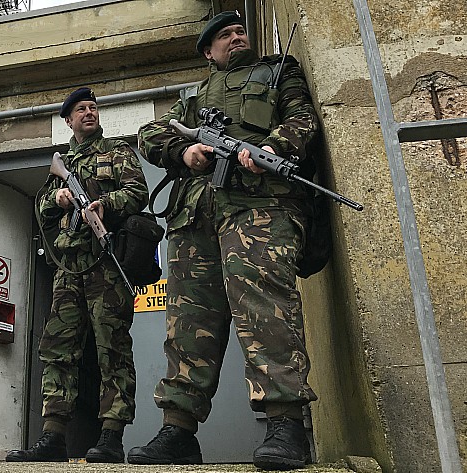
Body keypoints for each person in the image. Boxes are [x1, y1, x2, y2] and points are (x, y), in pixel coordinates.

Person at [126, 11, 319, 470]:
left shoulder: (277, 71)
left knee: (265, 306)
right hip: (195, 217)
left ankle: (285, 421)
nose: (235, 37)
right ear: (208, 52)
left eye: (239, 31)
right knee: (188, 320)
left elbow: (303, 119)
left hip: (259, 206)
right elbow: (151, 135)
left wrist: (273, 148)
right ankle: (178, 428)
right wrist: (185, 151)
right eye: (223, 36)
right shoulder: (193, 99)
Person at [5, 87, 149, 463]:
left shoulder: (117, 152)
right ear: (68, 120)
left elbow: (138, 191)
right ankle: (53, 435)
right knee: (58, 349)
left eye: (93, 107)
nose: (89, 112)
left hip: (105, 264)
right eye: (81, 110)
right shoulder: (62, 166)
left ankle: (111, 435)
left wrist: (105, 203)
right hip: (69, 268)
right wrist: (58, 199)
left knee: (112, 347)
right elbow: (40, 209)